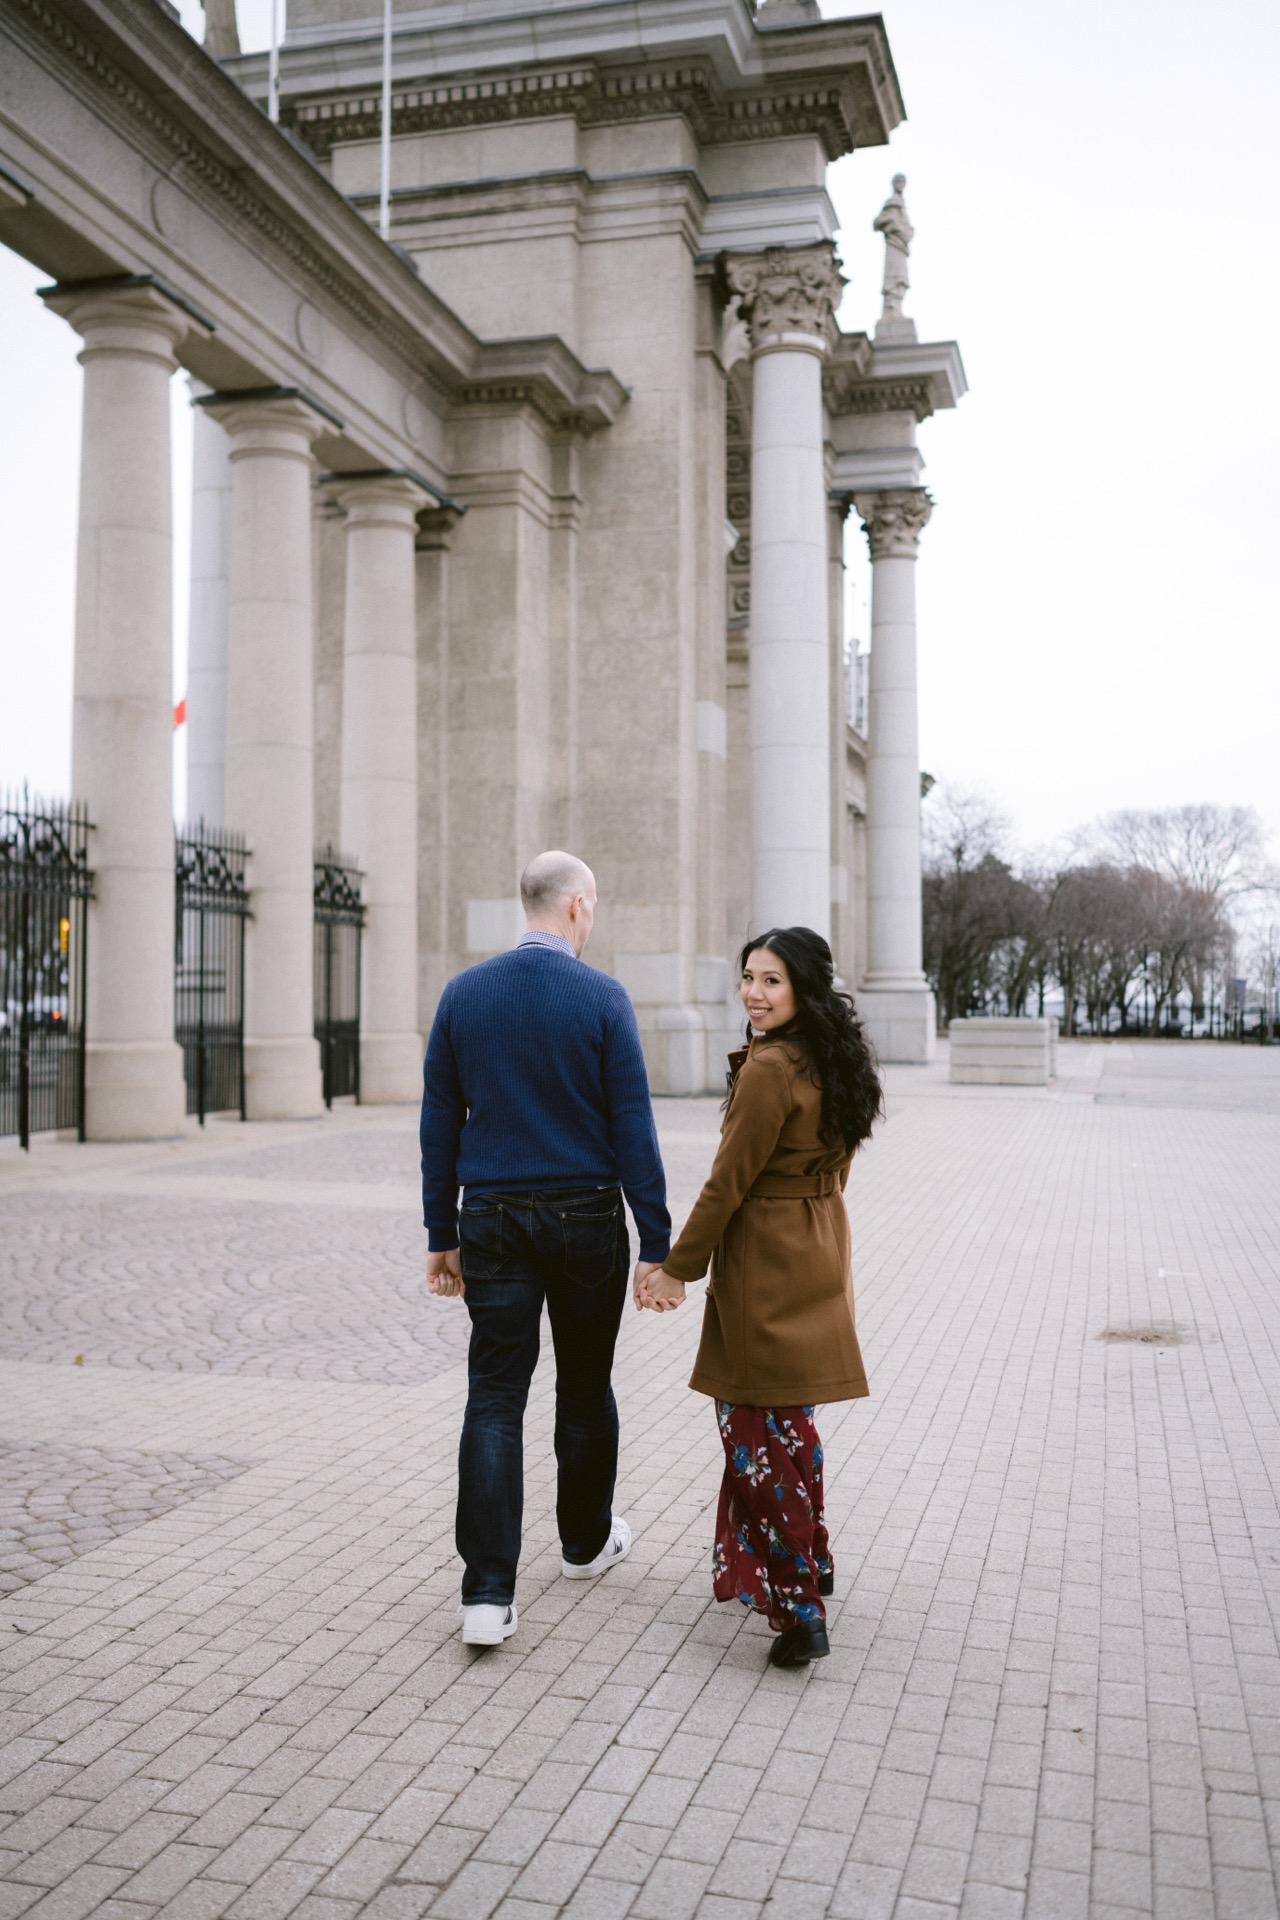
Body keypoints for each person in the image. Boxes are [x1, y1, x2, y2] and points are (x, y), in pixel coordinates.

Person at [421, 851, 670, 1647]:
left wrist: (442, 1235)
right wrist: (656, 1243)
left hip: (492, 1217)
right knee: (586, 1384)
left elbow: (438, 1129)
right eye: (591, 910)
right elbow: (633, 1126)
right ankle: (584, 1542)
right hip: (587, 1219)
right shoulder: (602, 998)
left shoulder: (464, 996)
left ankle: (486, 1597)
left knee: (495, 1395)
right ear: (575, 907)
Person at [637, 927, 882, 1668]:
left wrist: (678, 1268)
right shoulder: (831, 1055)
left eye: (772, 980)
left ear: (802, 987)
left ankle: (799, 1607)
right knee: (791, 1426)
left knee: (754, 1440)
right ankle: (816, 1557)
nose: (754, 992)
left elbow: (727, 1182)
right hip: (814, 1245)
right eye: (749, 977)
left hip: (766, 1264)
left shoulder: (771, 1067)